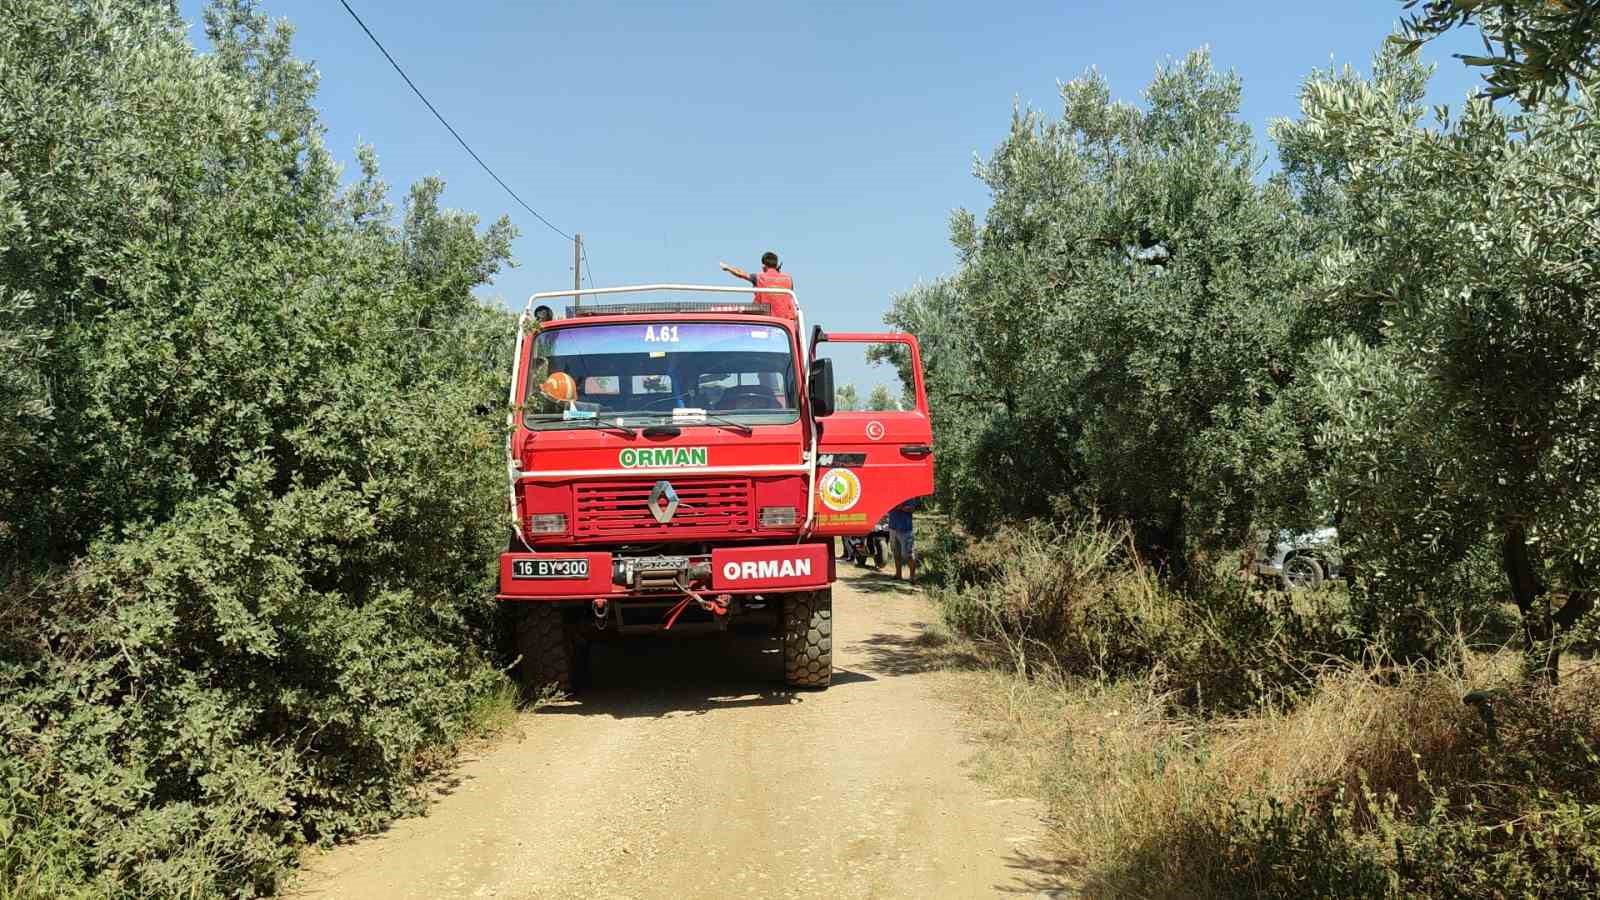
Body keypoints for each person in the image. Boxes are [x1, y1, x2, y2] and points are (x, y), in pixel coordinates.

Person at [719, 251, 796, 319]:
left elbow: (741, 274)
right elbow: (790, 301)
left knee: (741, 310)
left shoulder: (759, 278)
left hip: (767, 321)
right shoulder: (788, 279)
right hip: (787, 322)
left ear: (764, 266)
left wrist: (728, 268)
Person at [888, 498, 920, 584]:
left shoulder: (909, 495)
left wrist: (900, 506)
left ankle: (912, 577)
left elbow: (912, 509)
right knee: (896, 552)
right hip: (893, 527)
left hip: (905, 529)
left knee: (908, 554)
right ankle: (898, 574)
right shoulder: (891, 494)